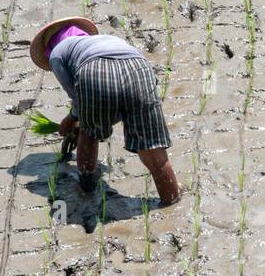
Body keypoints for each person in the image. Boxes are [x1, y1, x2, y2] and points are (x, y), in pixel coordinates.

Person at [28, 16, 181, 205]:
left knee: (88, 131)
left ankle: (87, 187)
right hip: (140, 68)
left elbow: (78, 101)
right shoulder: (108, 39)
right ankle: (172, 202)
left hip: (95, 69)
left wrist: (72, 120)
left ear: (50, 44)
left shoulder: (57, 54)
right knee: (153, 151)